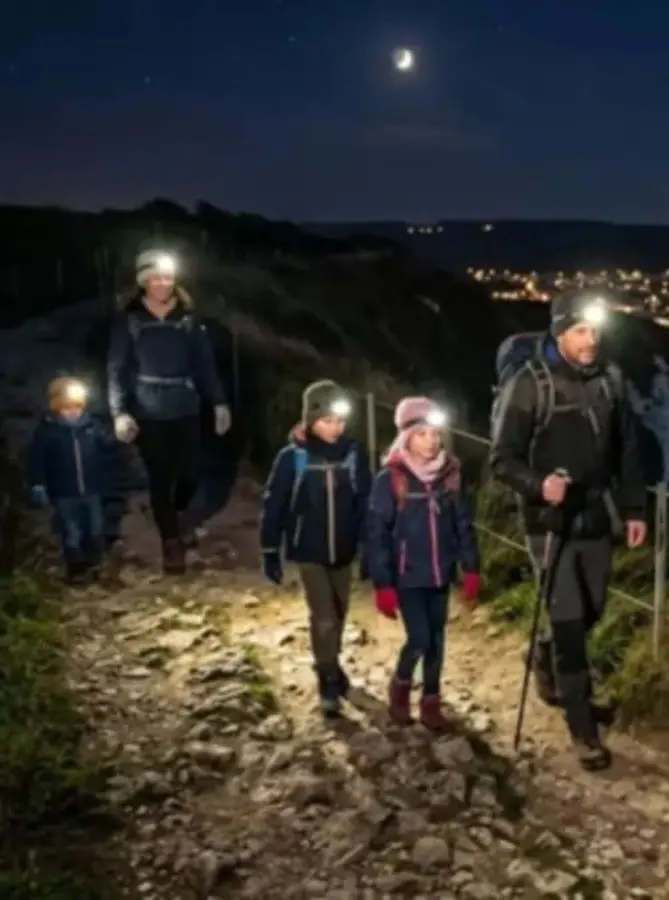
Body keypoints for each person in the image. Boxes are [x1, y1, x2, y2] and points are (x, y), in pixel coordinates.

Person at [488, 288, 647, 770]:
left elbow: (628, 450)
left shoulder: (610, 381)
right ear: (560, 334)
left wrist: (634, 508)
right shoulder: (529, 384)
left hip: (595, 514)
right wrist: (540, 486)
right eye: (580, 330)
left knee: (594, 607)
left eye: (595, 330)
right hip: (548, 520)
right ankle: (582, 727)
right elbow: (501, 460)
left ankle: (546, 657)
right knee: (570, 619)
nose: (590, 339)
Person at [106, 249, 231, 574]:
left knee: (189, 473)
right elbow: (116, 369)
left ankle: (176, 516)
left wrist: (218, 402)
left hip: (186, 406)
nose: (163, 284)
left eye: (168, 277)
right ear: (144, 281)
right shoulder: (131, 320)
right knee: (160, 476)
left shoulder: (188, 318)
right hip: (149, 410)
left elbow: (204, 364)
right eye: (156, 278)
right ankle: (171, 542)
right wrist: (120, 411)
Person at [367, 397, 482, 731]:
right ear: (406, 438)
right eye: (422, 434)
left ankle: (431, 700)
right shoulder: (390, 479)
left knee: (438, 640)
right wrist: (383, 583)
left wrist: (470, 567)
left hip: (440, 574)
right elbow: (377, 534)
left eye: (435, 434)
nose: (431, 441)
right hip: (407, 576)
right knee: (420, 638)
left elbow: (463, 523)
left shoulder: (450, 476)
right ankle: (400, 686)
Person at [259, 380, 371, 719]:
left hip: (344, 550)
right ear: (310, 419)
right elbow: (274, 504)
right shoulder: (292, 458)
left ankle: (332, 665)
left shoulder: (352, 455)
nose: (335, 428)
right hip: (308, 551)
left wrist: (369, 547)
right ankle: (327, 681)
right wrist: (269, 548)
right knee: (323, 618)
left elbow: (366, 502)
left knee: (339, 615)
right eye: (327, 421)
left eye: (339, 420)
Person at [27, 377, 110, 582]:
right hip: (64, 492)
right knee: (71, 531)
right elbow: (37, 460)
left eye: (77, 407)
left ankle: (97, 566)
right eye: (66, 408)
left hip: (92, 489)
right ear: (56, 408)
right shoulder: (48, 432)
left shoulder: (92, 427)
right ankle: (76, 570)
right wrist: (39, 485)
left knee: (96, 528)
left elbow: (106, 452)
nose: (73, 411)